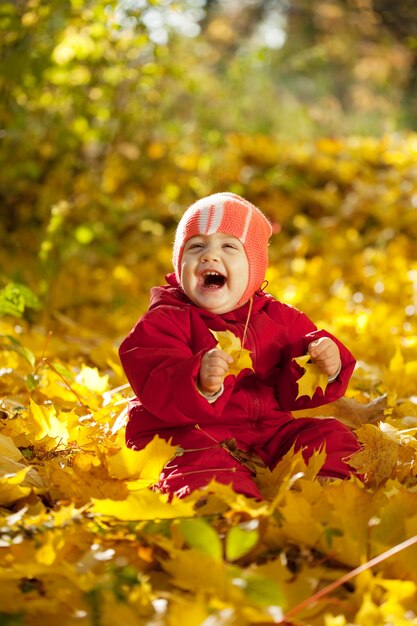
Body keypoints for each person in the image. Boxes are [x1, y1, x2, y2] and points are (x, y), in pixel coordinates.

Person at [119, 192, 361, 499]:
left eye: (229, 246)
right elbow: (155, 375)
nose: (209, 256)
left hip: (267, 433)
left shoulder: (280, 319)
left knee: (330, 436)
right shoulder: (165, 320)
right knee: (195, 464)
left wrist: (326, 363)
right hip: (193, 433)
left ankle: (321, 493)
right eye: (196, 247)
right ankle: (231, 510)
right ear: (180, 264)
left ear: (254, 268)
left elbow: (295, 391)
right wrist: (199, 381)